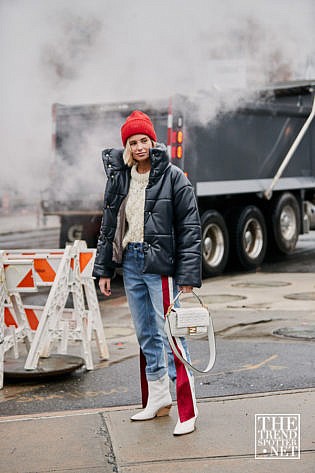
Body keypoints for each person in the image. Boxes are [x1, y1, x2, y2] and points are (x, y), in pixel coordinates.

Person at [93, 110, 202, 435]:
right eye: (133, 141)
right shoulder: (121, 178)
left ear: (152, 142)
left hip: (161, 265)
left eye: (144, 140)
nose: (139, 146)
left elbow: (190, 229)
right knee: (145, 335)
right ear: (126, 146)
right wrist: (104, 270)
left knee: (171, 334)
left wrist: (186, 277)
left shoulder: (174, 177)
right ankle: (158, 399)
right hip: (131, 262)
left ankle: (187, 409)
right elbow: (109, 226)